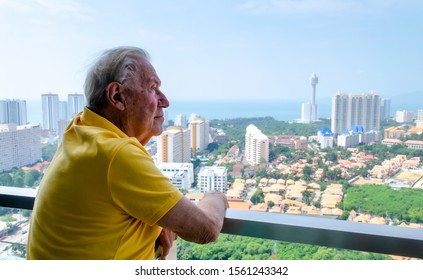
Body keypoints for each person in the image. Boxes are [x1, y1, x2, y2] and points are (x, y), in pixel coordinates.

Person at [27, 46, 228, 260]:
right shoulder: (116, 154)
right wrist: (215, 196)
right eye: (153, 88)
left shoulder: (80, 129)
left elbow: (102, 207)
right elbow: (205, 229)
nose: (165, 101)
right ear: (117, 96)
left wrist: (152, 225)